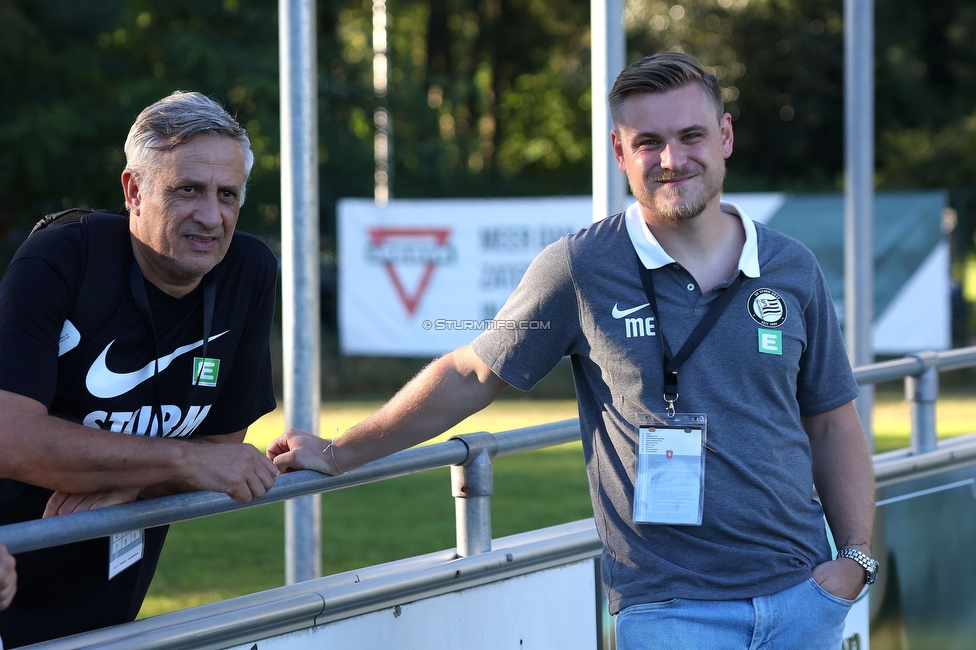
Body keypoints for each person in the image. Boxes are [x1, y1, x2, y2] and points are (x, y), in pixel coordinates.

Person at [267, 52, 877, 648]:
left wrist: (851, 563)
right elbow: (473, 372)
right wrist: (340, 451)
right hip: (669, 611)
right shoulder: (581, 267)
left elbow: (831, 423)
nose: (672, 159)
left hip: (803, 600)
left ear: (725, 137)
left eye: (691, 135)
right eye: (648, 142)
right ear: (619, 152)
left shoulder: (791, 267)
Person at [0, 91, 278, 646]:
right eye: (187, 190)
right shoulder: (59, 261)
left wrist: (126, 484)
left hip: (110, 596)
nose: (211, 216)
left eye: (228, 195)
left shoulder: (248, 270)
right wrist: (178, 460)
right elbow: (11, 437)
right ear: (133, 190)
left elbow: (225, 442)